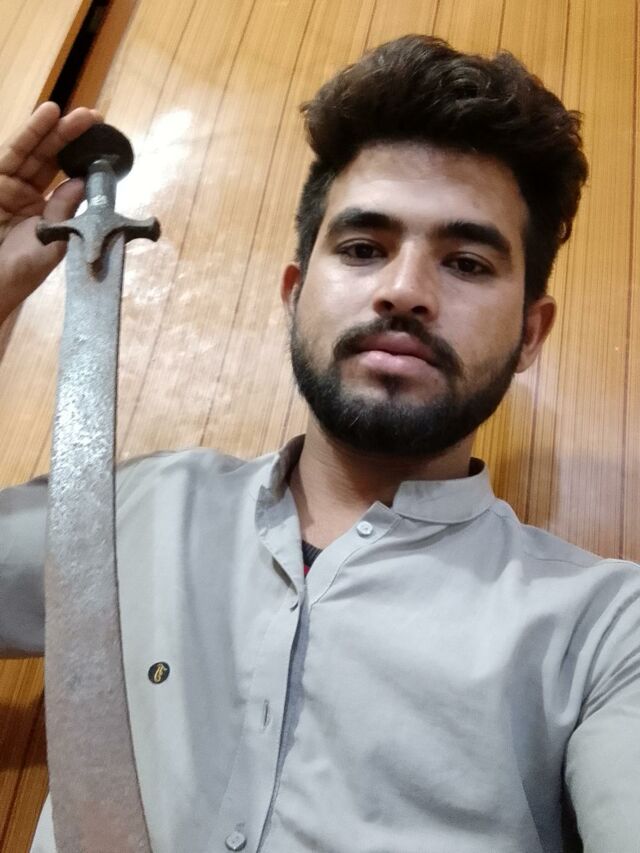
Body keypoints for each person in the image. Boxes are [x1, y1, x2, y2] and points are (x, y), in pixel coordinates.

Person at [1, 34, 639, 853]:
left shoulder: (604, 631)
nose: (404, 291)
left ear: (530, 334)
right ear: (294, 293)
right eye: (364, 249)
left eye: (468, 262)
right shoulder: (129, 510)